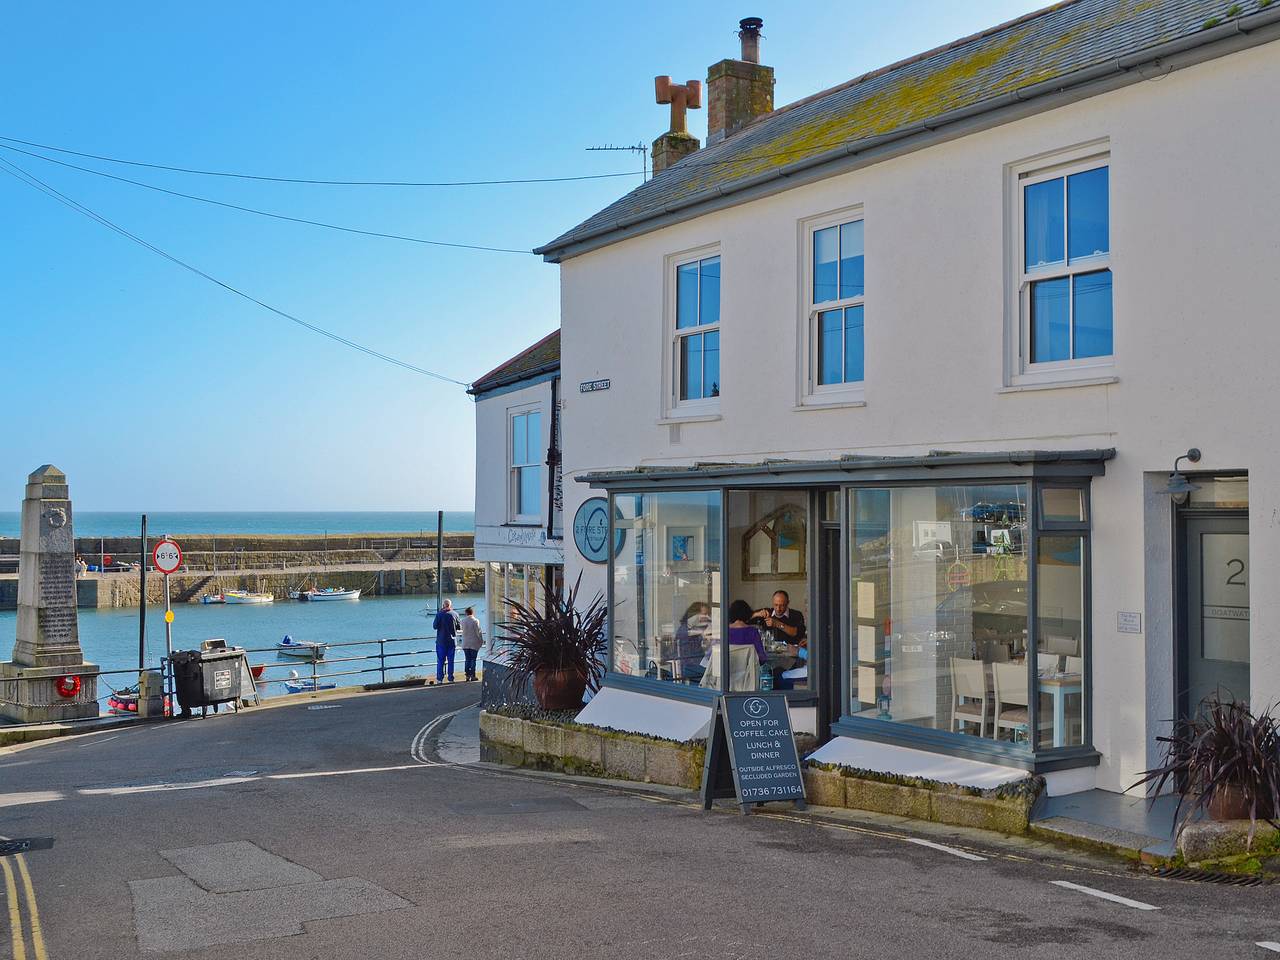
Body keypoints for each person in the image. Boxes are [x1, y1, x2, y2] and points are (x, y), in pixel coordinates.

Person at [432, 599, 461, 684]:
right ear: (450, 605)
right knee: (451, 661)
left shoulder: (439, 614)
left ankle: (440, 679)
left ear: (443, 605)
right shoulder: (455, 614)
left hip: (441, 641)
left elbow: (434, 626)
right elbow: (459, 627)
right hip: (452, 641)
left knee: (440, 661)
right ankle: (450, 678)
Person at [459, 606, 484, 682]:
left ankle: (467, 675)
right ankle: (473, 675)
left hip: (465, 643)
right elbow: (478, 632)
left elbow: (461, 630)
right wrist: (481, 640)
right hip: (473, 643)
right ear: (473, 612)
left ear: (466, 613)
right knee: (473, 659)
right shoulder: (475, 621)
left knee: (467, 659)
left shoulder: (462, 621)